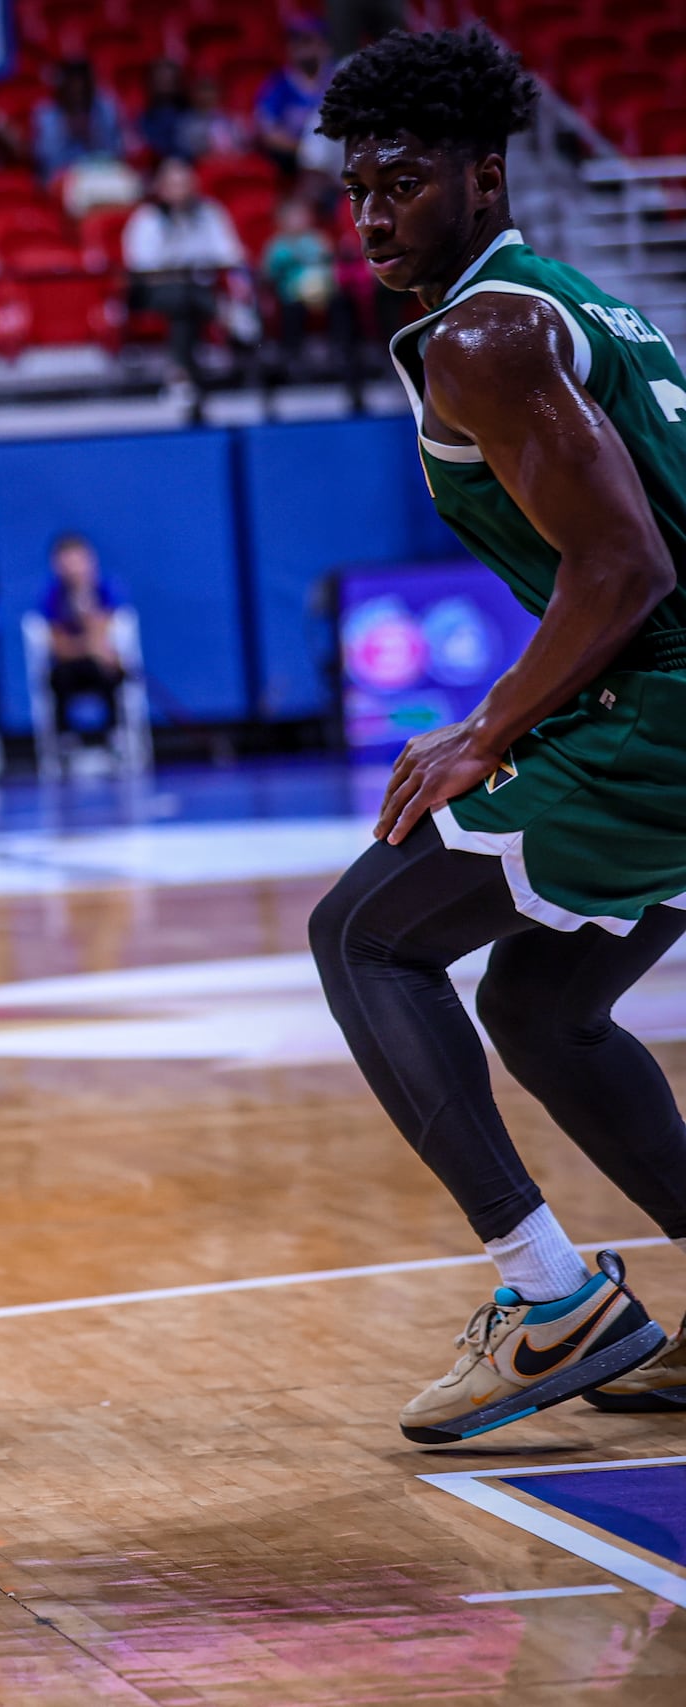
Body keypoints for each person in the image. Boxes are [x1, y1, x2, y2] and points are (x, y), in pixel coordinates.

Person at [306, 26, 686, 1440]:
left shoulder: (488, 328)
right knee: (541, 1004)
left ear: (485, 173)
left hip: (663, 700)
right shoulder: (572, 303)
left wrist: (482, 730)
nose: (376, 212)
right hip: (658, 698)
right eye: (357, 190)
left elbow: (626, 568)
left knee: (364, 933)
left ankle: (550, 1298)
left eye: (404, 180)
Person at [122, 157, 248, 386]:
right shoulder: (146, 219)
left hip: (200, 289)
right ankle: (230, 319)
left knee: (187, 303)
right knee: (182, 296)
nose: (182, 191)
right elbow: (143, 267)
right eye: (175, 185)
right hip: (156, 292)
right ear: (161, 188)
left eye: (186, 184)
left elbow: (231, 254)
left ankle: (182, 374)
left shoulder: (210, 214)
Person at [40, 535, 128, 749]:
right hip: (69, 666)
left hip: (99, 664)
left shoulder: (106, 590)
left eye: (79, 561)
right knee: (59, 676)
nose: (74, 570)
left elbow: (105, 633)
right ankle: (65, 739)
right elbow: (58, 646)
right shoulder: (52, 597)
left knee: (109, 672)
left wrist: (88, 611)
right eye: (67, 563)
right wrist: (87, 646)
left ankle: (114, 735)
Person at [260, 190, 352, 375]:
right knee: (292, 312)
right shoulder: (277, 245)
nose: (298, 221)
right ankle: (293, 355)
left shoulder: (317, 239)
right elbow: (269, 273)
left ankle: (342, 351)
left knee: (342, 305)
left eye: (302, 216)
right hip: (292, 294)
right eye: (293, 217)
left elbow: (330, 262)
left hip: (323, 292)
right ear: (282, 221)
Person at [254, 18, 338, 180]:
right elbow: (268, 133)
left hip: (334, 159)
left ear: (324, 45)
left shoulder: (337, 79)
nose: (302, 49)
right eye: (296, 42)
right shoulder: (278, 85)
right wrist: (306, 149)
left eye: (308, 41)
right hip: (293, 165)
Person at [31, 59, 130, 190]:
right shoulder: (46, 114)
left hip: (102, 174)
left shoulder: (105, 108)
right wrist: (66, 130)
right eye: (72, 85)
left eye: (82, 85)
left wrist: (91, 131)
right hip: (64, 178)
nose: (77, 90)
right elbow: (47, 163)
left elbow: (116, 153)